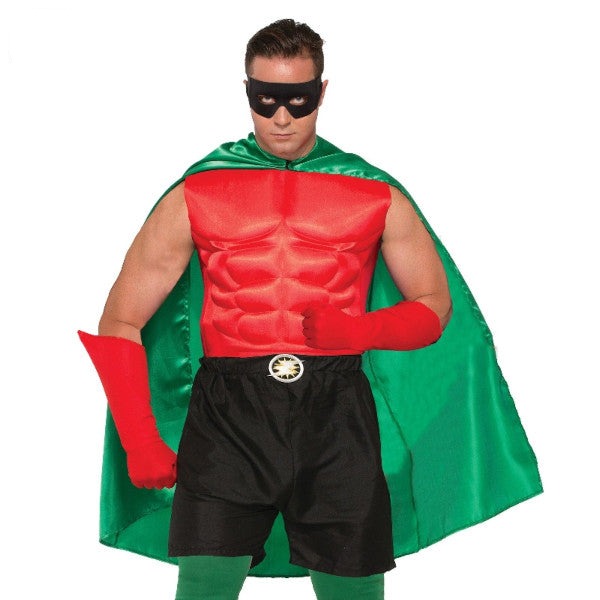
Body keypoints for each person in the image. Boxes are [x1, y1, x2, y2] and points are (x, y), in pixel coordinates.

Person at [79, 18, 542, 600]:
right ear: (246, 90)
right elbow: (121, 319)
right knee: (205, 584)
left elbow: (434, 306)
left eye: (297, 99)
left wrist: (360, 329)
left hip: (336, 407)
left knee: (353, 585)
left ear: (321, 91)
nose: (281, 117)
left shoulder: (373, 192)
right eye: (265, 98)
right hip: (227, 412)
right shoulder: (196, 193)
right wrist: (140, 439)